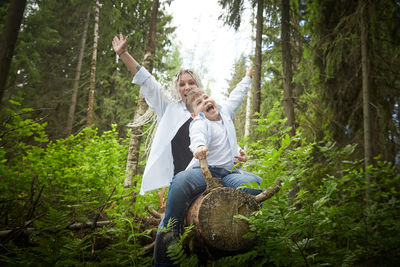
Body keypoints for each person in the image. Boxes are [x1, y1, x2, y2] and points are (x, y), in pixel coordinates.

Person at [112, 34, 261, 266]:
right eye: (182, 84)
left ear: (199, 86)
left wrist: (238, 153)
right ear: (177, 89)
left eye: (191, 82)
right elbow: (147, 82)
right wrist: (123, 54)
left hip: (218, 176)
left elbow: (224, 133)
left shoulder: (212, 109)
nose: (187, 86)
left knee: (251, 186)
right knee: (173, 218)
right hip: (186, 180)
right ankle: (162, 259)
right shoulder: (170, 109)